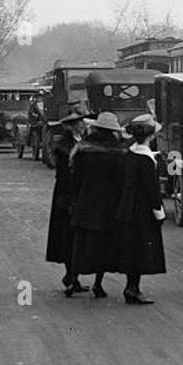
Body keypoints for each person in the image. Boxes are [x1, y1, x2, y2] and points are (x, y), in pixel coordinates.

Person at [105, 114, 167, 304]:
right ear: (151, 136)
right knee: (140, 250)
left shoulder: (129, 154)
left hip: (127, 207)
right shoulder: (146, 159)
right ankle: (133, 289)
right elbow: (152, 190)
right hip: (142, 210)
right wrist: (159, 212)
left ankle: (131, 287)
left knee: (131, 249)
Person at [68, 112, 128, 298]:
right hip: (108, 204)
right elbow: (122, 180)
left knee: (81, 244)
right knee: (104, 245)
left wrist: (74, 199)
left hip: (85, 202)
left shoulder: (83, 148)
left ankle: (72, 280)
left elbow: (74, 176)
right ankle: (98, 284)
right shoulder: (119, 151)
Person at [45, 111, 85, 292]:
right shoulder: (65, 147)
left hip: (72, 194)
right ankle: (70, 276)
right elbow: (65, 175)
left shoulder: (77, 142)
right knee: (68, 236)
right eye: (78, 123)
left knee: (73, 236)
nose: (82, 125)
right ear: (70, 126)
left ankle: (73, 277)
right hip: (67, 195)